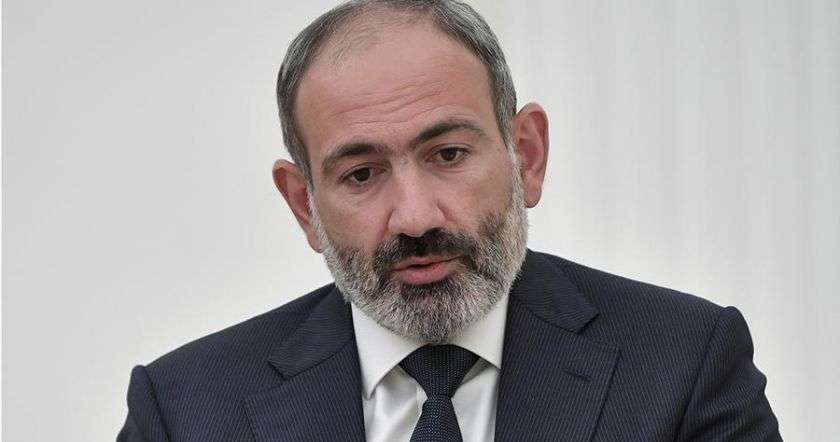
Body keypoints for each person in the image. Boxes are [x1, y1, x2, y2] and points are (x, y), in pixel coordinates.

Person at [118, 1, 781, 440]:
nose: (414, 218)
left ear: (527, 156)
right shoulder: (185, 411)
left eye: (448, 155)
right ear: (304, 206)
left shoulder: (682, 365)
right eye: (361, 174)